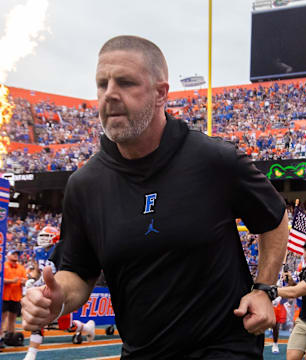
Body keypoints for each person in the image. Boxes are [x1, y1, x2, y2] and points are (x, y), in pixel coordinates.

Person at [21, 35, 289, 359]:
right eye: (102, 84)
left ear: (161, 93)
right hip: (141, 352)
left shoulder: (214, 159)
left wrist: (264, 289)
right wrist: (57, 297)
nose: (110, 95)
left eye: (126, 83)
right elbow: (79, 271)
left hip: (222, 347)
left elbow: (275, 219)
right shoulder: (85, 184)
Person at [23, 226, 95, 360]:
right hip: (43, 290)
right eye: (42, 236)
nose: (43, 239)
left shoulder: (60, 250)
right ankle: (31, 354)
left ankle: (86, 327)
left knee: (66, 326)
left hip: (59, 290)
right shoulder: (38, 251)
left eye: (47, 236)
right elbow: (37, 269)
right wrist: (32, 279)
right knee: (39, 321)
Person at [0, 250, 27, 348]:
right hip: (4, 296)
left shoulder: (21, 267)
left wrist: (24, 281)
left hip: (16, 297)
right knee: (2, 318)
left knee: (13, 319)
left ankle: (10, 337)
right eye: (13, 254)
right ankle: (1, 337)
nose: (16, 256)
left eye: (17, 254)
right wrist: (12, 281)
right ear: (8, 255)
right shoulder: (3, 265)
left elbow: (25, 280)